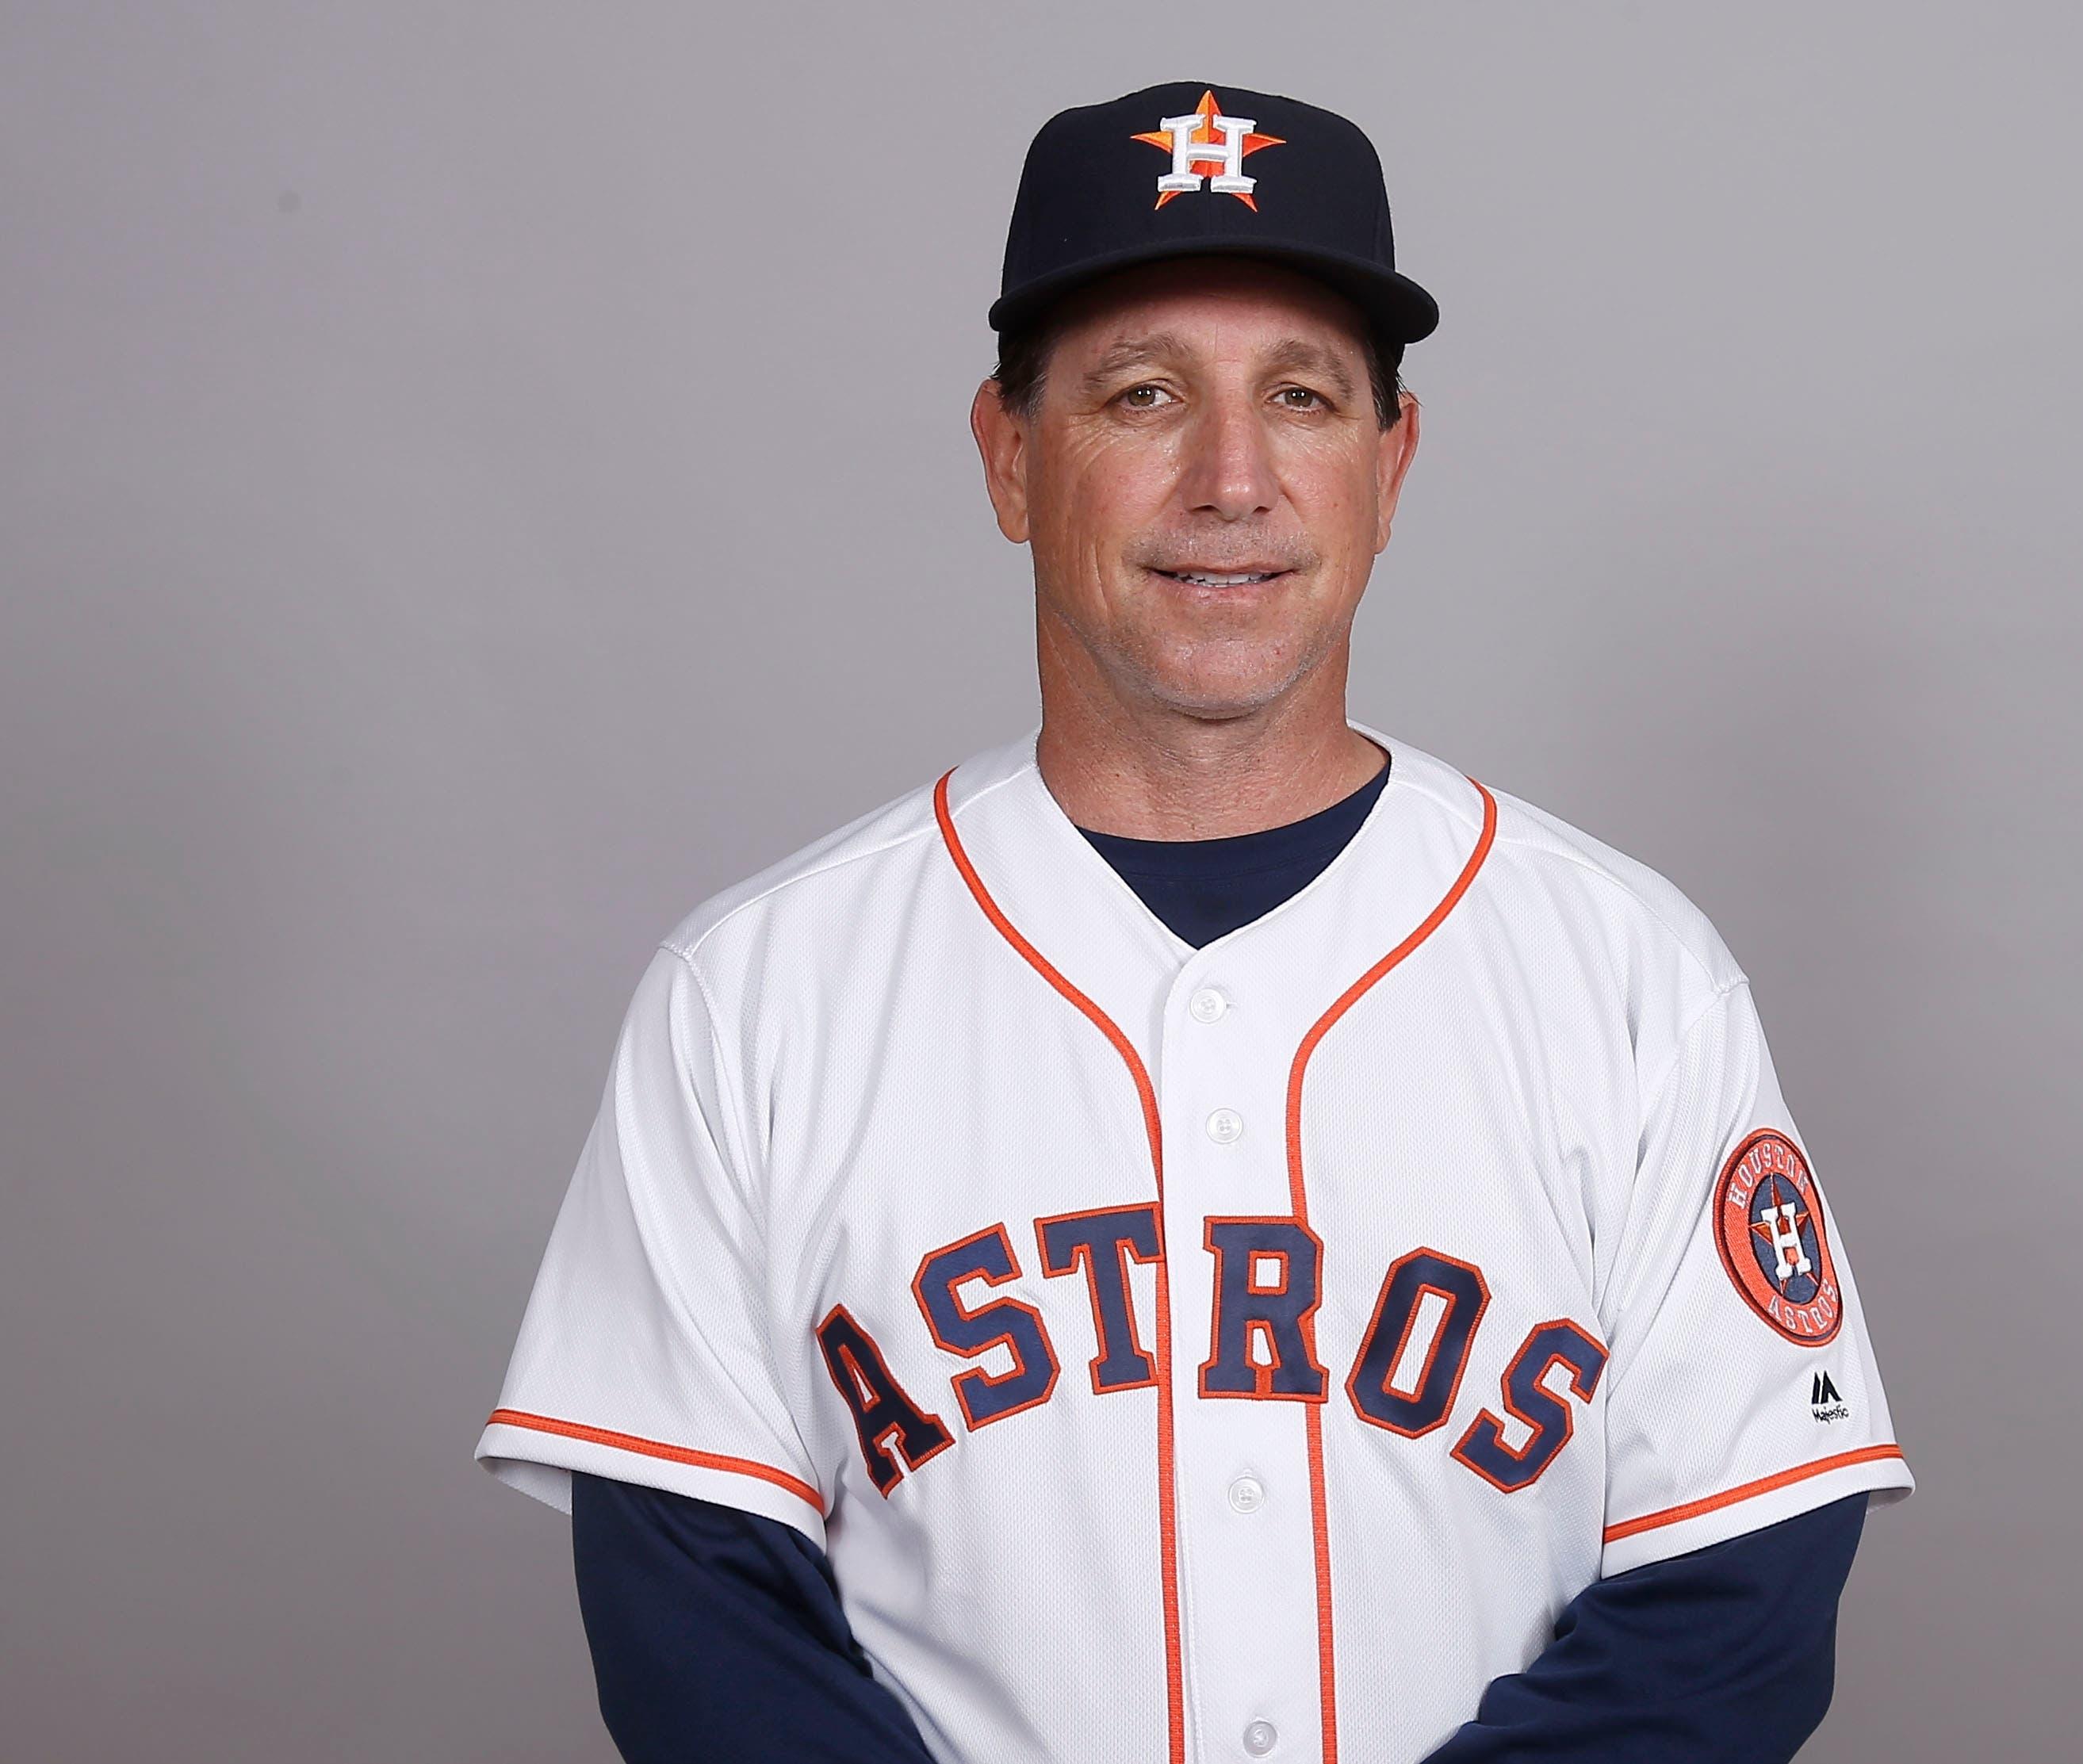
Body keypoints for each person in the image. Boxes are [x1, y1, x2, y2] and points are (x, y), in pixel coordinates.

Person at [475, 79, 1913, 1763]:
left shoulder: (1626, 977)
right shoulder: (758, 996)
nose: (1228, 480)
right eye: (1141, 394)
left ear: (1391, 461)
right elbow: (695, 1628)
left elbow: (1741, 1593)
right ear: (1010, 456)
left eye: (1299, 397)